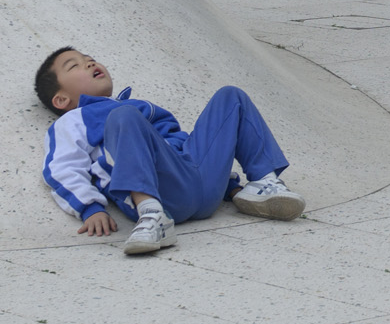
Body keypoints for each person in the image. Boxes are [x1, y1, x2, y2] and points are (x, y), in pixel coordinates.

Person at [33, 47, 305, 256]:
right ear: (61, 99)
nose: (89, 62)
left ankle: (264, 182)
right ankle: (152, 216)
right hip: (163, 196)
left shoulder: (140, 106)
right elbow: (62, 168)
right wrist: (89, 207)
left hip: (199, 182)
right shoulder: (74, 120)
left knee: (230, 96)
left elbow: (179, 143)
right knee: (123, 117)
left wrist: (228, 187)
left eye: (89, 58)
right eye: (74, 66)